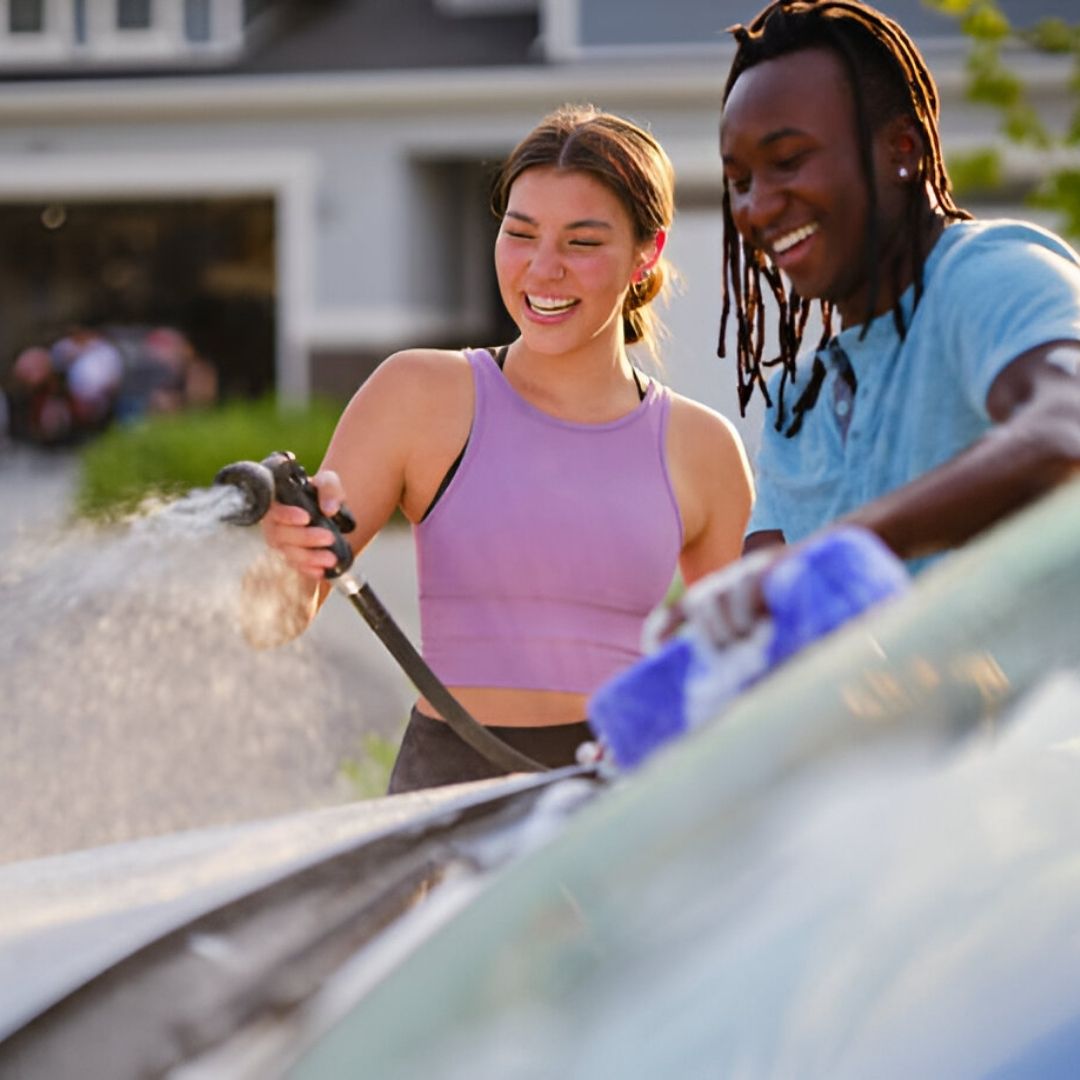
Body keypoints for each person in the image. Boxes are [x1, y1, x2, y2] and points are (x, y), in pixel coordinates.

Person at [247, 105, 754, 793]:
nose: (543, 270)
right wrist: (286, 557)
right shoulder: (417, 393)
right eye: (520, 234)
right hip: (446, 788)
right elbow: (269, 623)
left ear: (647, 253)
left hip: (619, 794)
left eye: (582, 242)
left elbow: (747, 666)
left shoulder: (704, 447)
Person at [657, 0, 1080, 645]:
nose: (758, 207)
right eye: (739, 181)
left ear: (902, 149)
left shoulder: (989, 274)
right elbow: (772, 617)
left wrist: (839, 550)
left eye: (788, 161)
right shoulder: (799, 401)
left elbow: (1064, 431)